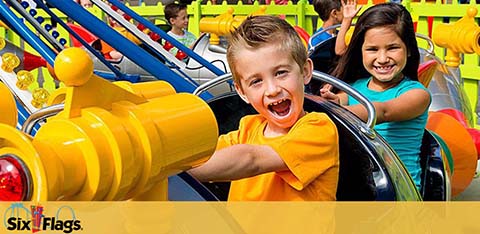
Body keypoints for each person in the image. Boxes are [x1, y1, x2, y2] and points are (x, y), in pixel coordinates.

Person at [188, 15, 340, 201]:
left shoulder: (318, 129)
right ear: (242, 91)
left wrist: (172, 171)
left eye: (281, 73)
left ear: (305, 71)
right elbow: (202, 154)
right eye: (256, 81)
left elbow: (252, 160)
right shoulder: (246, 130)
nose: (272, 90)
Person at [320, 3, 430, 190]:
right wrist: (331, 100)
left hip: (397, 192)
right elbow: (340, 100)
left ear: (409, 49)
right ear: (360, 51)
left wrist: (330, 114)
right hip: (357, 184)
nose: (382, 58)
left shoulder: (417, 95)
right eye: (372, 49)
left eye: (392, 48)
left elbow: (382, 111)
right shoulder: (356, 87)